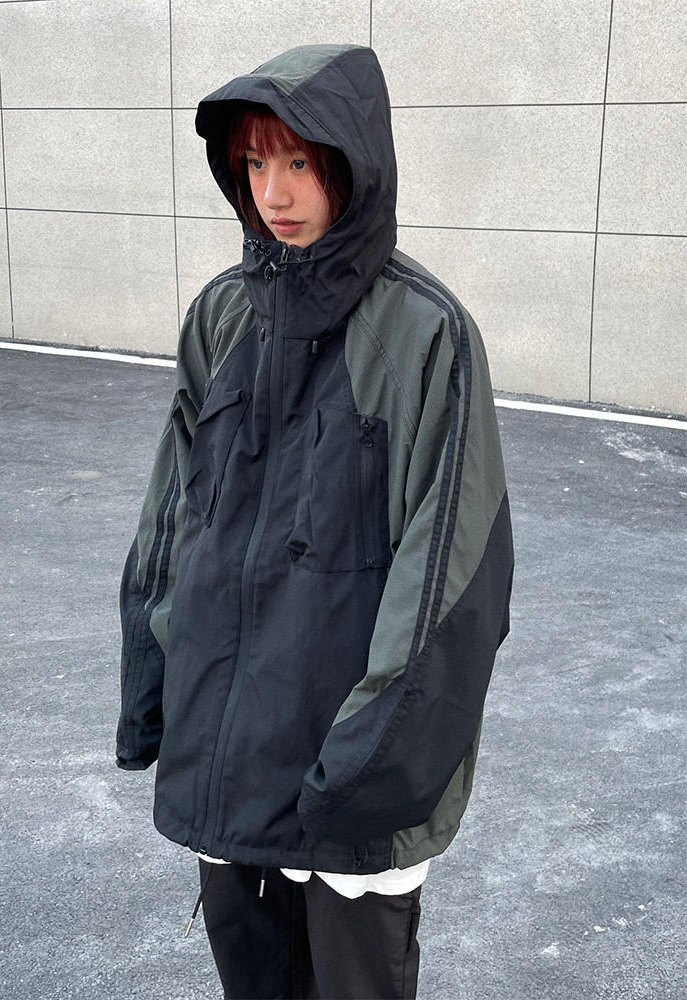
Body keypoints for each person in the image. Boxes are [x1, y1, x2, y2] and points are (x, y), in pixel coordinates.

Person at [117, 43, 513, 1000]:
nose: (274, 192)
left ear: (351, 164)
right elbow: (173, 521)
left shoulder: (426, 333)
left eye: (298, 161)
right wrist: (157, 693)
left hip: (353, 776)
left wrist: (371, 768)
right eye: (255, 162)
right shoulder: (222, 317)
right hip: (231, 753)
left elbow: (451, 579)